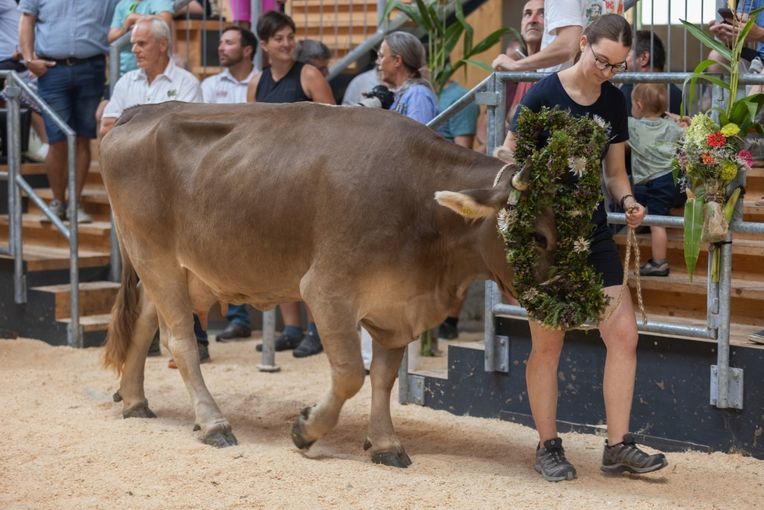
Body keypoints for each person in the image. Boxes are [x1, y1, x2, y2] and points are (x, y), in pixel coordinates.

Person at [498, 14, 667, 482]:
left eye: (616, 66)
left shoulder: (613, 102)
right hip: (546, 239)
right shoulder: (542, 94)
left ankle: (618, 446)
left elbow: (614, 172)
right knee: (548, 345)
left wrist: (629, 201)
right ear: (583, 44)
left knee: (624, 335)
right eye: (601, 60)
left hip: (591, 230)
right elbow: (508, 152)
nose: (606, 72)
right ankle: (547, 445)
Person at [100, 17, 205, 366]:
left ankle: (193, 339)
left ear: (163, 44)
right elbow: (108, 131)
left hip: (178, 193)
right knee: (139, 269)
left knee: (189, 265)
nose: (134, 50)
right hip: (134, 192)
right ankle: (148, 348)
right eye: (132, 44)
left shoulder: (187, 83)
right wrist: (156, 135)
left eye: (141, 44)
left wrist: (136, 134)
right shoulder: (126, 81)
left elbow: (190, 140)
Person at [247, 10, 335, 358]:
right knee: (279, 253)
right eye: (279, 38)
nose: (287, 43)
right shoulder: (258, 82)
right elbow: (251, 131)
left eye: (290, 36)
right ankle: (293, 328)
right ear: (265, 45)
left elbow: (335, 124)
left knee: (309, 257)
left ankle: (317, 330)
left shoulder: (309, 74)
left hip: (308, 179)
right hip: (271, 180)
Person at [18, 0, 120, 223]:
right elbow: (27, 18)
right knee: (57, 139)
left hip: (91, 67)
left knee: (83, 138)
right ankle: (57, 201)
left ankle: (75, 203)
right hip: (51, 70)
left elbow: (125, 11)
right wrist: (28, 59)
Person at [201, 25, 259, 341]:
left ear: (248, 49)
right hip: (221, 172)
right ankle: (236, 316)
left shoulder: (260, 80)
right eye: (221, 42)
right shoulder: (209, 85)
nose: (221, 47)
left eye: (229, 42)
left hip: (257, 171)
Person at [627, 83, 684, 277]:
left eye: (632, 103)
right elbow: (688, 130)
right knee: (656, 214)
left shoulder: (633, 127)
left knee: (657, 224)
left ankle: (660, 263)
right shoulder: (671, 127)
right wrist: (674, 117)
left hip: (649, 181)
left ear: (639, 105)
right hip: (669, 179)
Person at [492, 0, 623, 74]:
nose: (532, 20)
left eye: (542, 14)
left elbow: (567, 47)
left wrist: (516, 65)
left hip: (565, 92)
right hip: (601, 82)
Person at [377, 31, 438, 124]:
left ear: (397, 61)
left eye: (381, 56)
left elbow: (417, 137)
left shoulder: (417, 94)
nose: (378, 63)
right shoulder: (405, 94)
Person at [620, 31, 682, 117]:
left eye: (626, 54)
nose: (621, 60)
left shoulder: (629, 89)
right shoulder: (676, 94)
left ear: (644, 58)